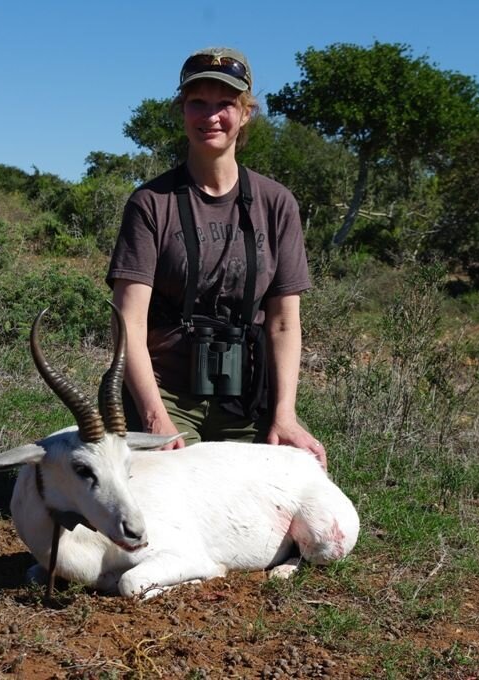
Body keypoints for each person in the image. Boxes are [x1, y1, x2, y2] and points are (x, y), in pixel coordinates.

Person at [107, 46, 326, 468]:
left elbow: (282, 320)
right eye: (197, 103)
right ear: (182, 109)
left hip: (247, 395)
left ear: (245, 114)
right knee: (168, 495)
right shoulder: (151, 202)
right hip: (165, 390)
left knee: (292, 492)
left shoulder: (276, 203)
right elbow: (128, 322)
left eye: (225, 104)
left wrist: (285, 415)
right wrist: (156, 418)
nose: (210, 116)